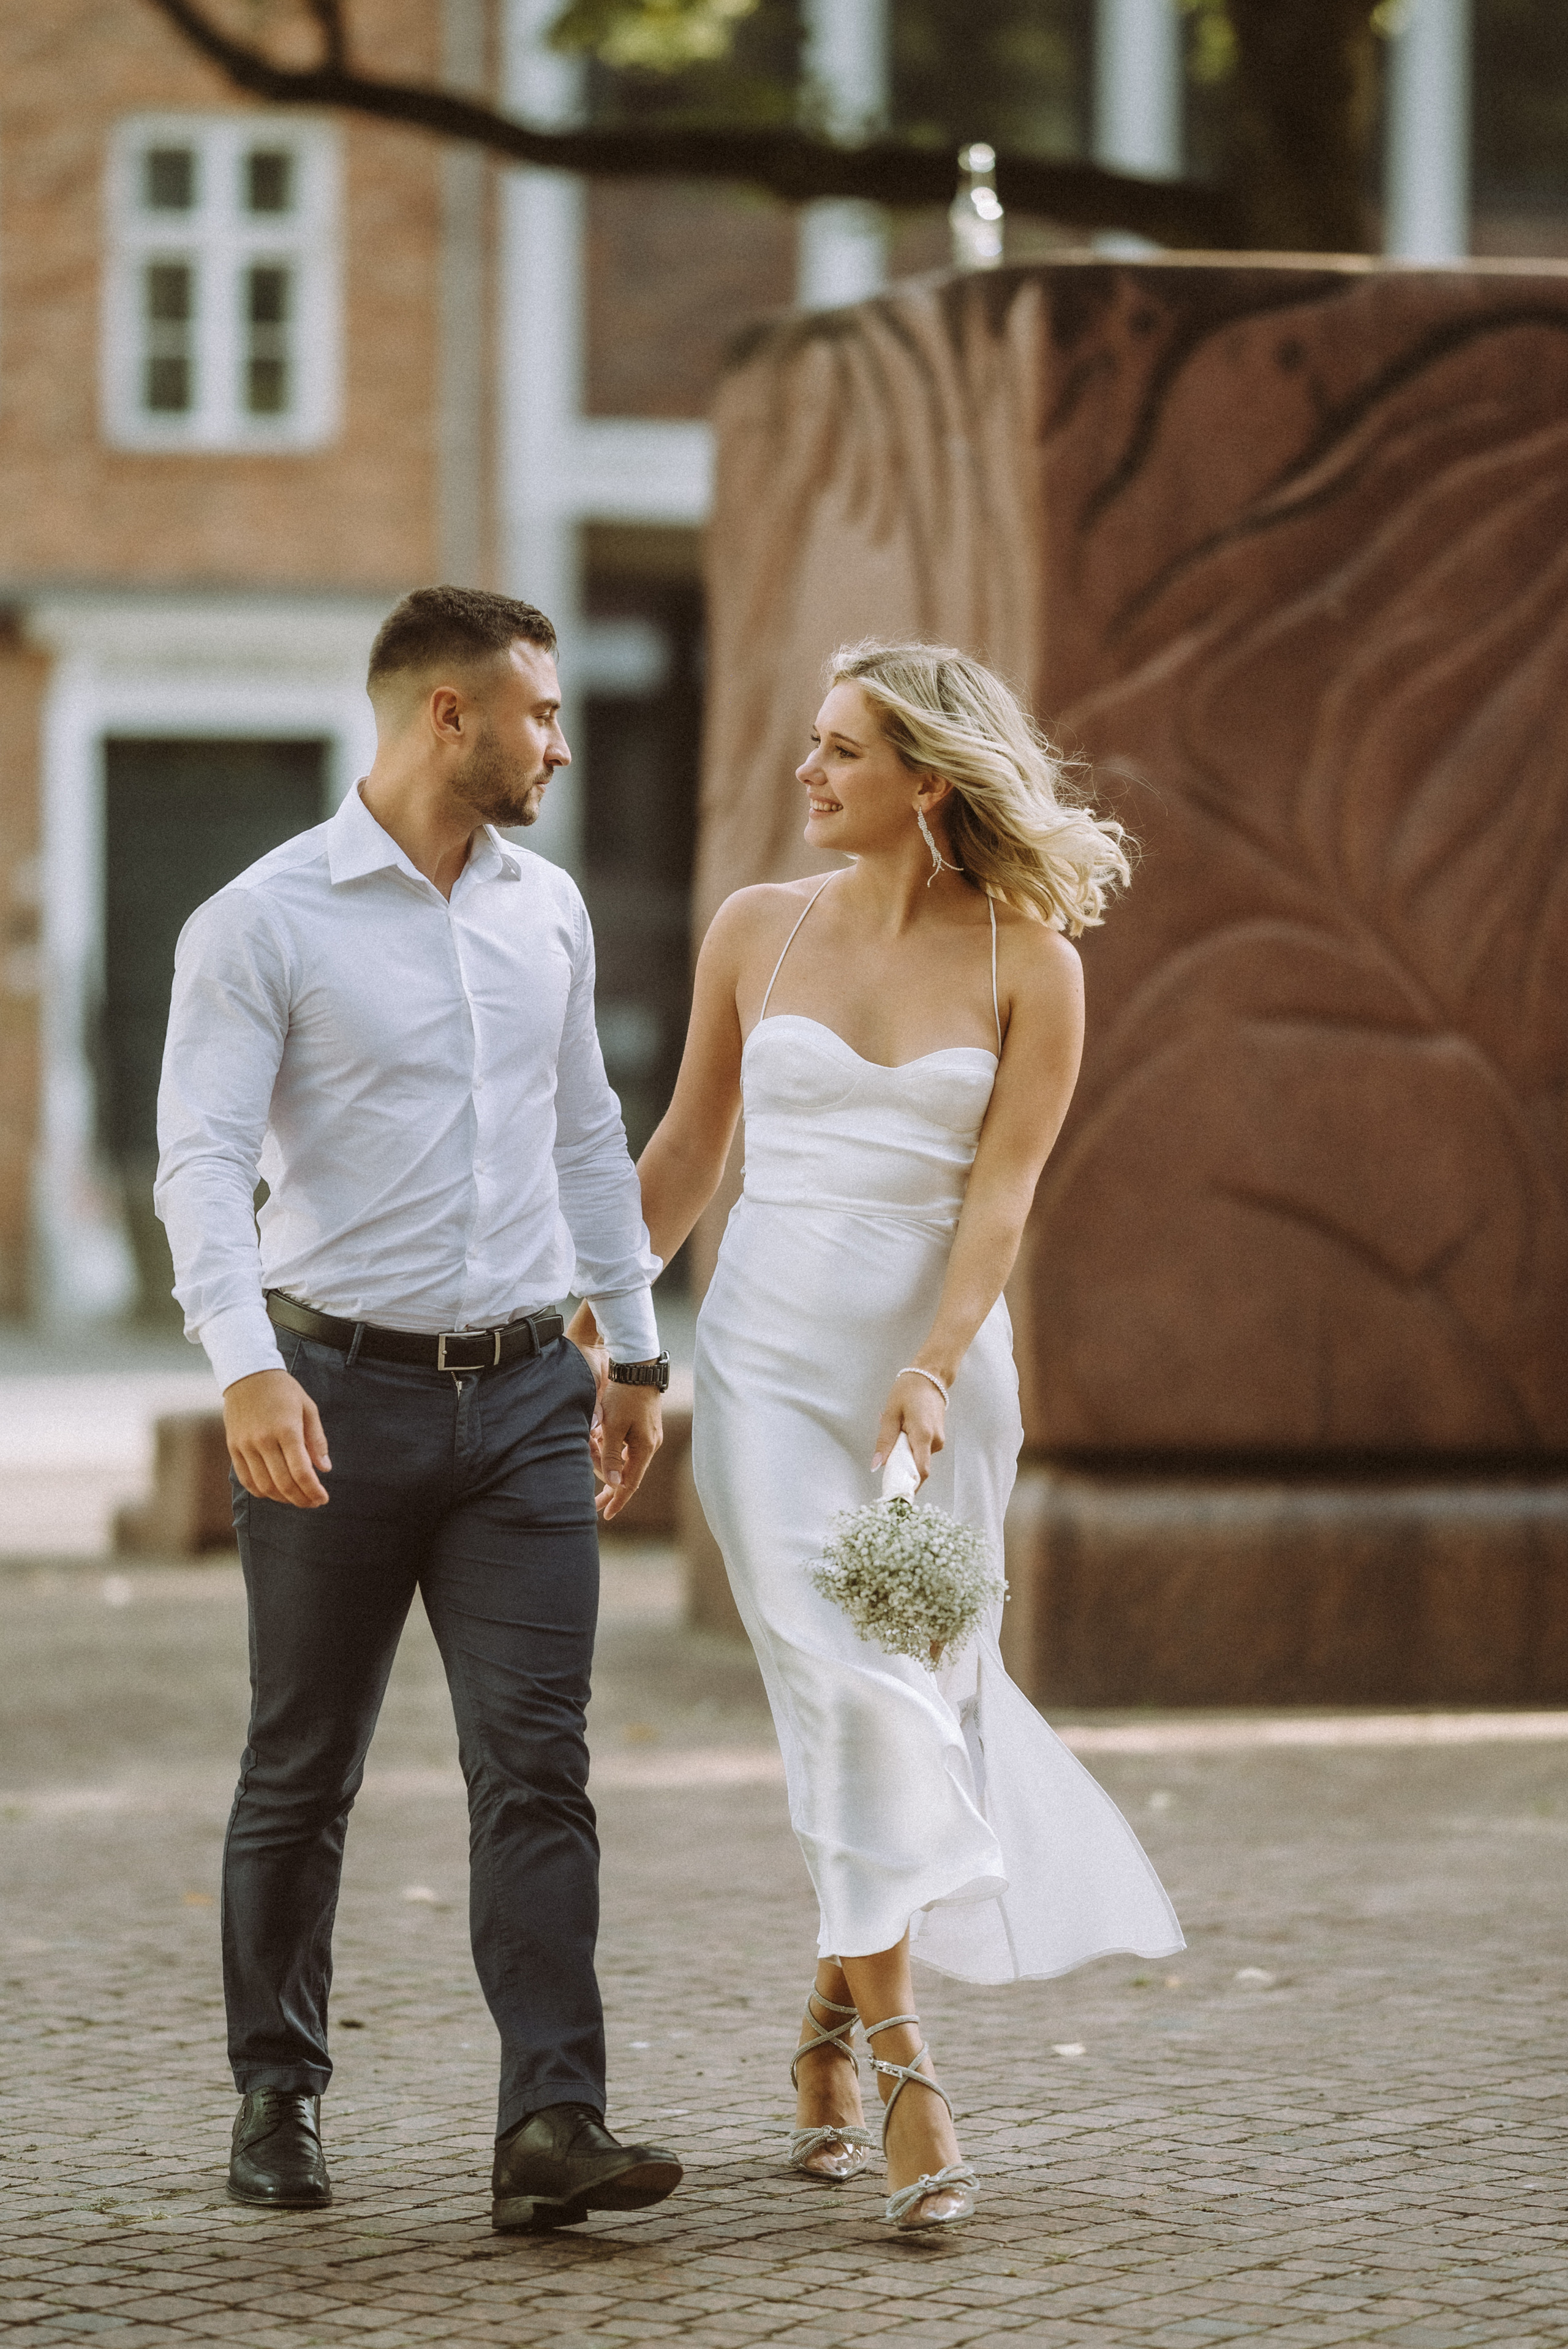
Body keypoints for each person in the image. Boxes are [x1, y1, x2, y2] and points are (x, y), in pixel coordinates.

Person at [578, 639, 1183, 2232]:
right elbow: (691, 1150)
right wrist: (589, 1309)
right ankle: (911, 2065)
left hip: (934, 1391)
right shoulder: (754, 934)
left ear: (930, 778)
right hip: (769, 1374)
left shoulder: (1029, 960)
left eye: (843, 749)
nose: (808, 770)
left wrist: (931, 1364)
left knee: (914, 1702)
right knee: (851, 1694)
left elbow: (1001, 1197)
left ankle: (825, 2027)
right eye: (814, 743)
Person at [155, 585, 682, 2233]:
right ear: (446, 716)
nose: (560, 740)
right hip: (331, 1396)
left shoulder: (547, 910)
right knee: (303, 1762)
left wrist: (642, 1352)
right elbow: (198, 1159)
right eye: (537, 711)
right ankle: (279, 2087)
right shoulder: (264, 919)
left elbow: (589, 1129)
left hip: (529, 1392)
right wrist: (244, 1361)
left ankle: (553, 2117)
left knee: (538, 1763)